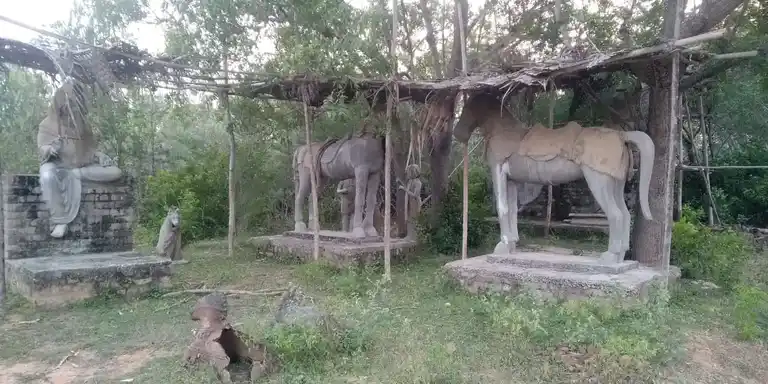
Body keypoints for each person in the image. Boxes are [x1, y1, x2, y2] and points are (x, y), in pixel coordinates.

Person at [37, 78, 122, 238]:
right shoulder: (47, 124)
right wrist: (51, 148)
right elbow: (42, 147)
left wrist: (100, 155)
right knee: (47, 175)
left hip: (81, 167)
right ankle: (61, 220)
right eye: (67, 106)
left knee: (116, 172)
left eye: (74, 107)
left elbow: (90, 149)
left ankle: (77, 174)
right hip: (57, 165)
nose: (70, 111)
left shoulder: (83, 126)